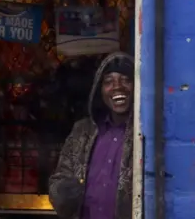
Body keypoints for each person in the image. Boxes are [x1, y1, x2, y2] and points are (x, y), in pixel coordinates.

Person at [49, 52, 134, 219]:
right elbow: (59, 179)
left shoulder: (144, 133)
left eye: (126, 80)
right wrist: (63, 192)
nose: (118, 86)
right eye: (108, 81)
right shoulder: (82, 132)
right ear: (99, 90)